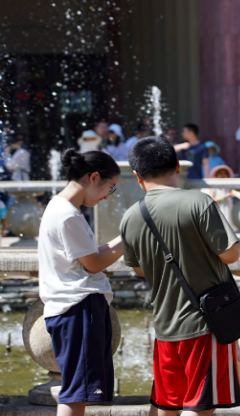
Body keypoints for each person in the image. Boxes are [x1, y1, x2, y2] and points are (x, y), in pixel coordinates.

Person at [121, 137, 240, 415]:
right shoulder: (198, 202)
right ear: (177, 166)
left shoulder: (130, 216)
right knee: (202, 406)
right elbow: (231, 254)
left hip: (165, 327)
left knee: (167, 405)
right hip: (205, 324)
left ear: (137, 176)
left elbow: (140, 270)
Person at [38, 149, 123, 416]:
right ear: (94, 177)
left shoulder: (61, 207)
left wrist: (122, 238)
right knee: (77, 394)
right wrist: (130, 236)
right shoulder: (68, 215)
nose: (108, 196)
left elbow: (91, 255)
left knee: (76, 390)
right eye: (110, 187)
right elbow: (94, 263)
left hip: (72, 308)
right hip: (78, 308)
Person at [204, 165, 240, 232]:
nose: (222, 175)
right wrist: (225, 197)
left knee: (228, 227)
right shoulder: (212, 187)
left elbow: (236, 193)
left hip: (227, 209)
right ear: (216, 175)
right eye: (220, 174)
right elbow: (212, 200)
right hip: (218, 210)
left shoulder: (228, 187)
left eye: (224, 174)